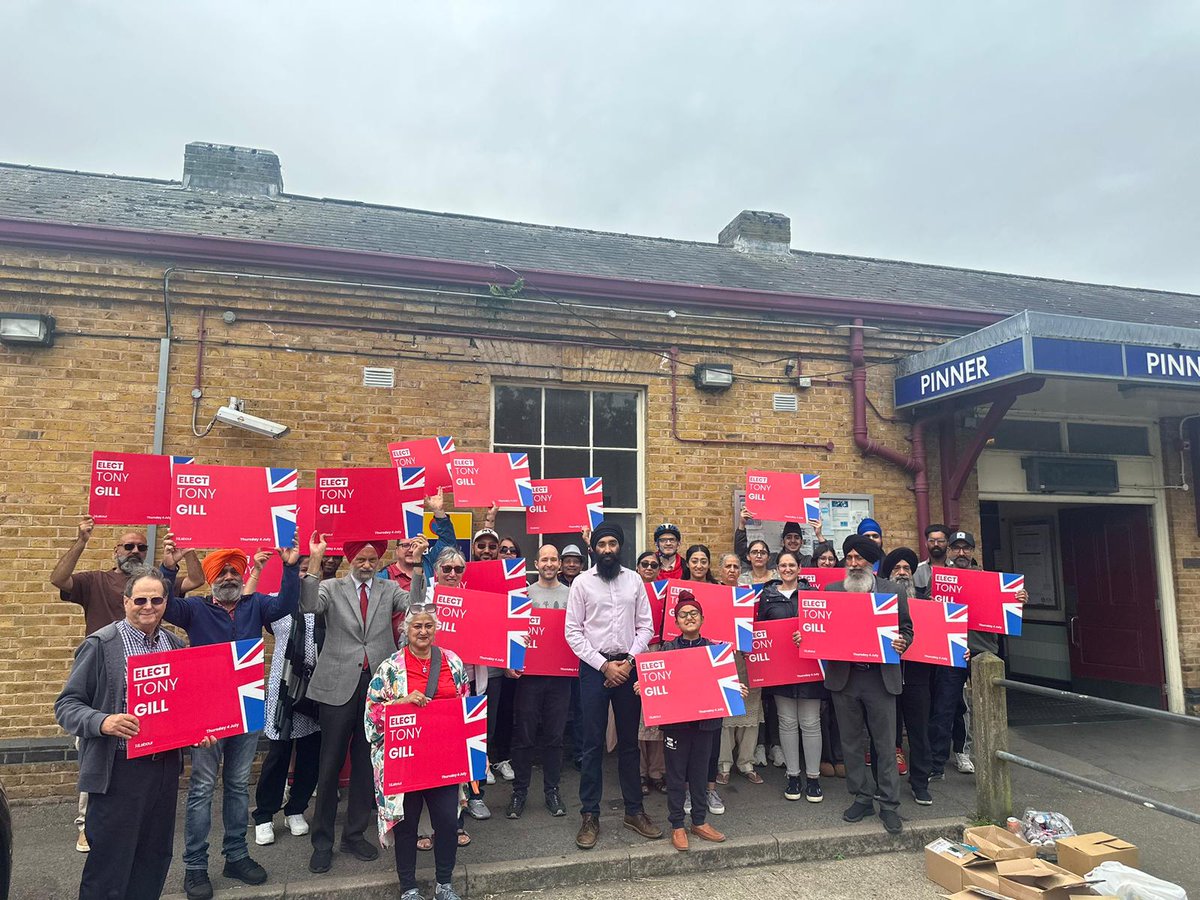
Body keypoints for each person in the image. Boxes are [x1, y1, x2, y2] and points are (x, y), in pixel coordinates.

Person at [55, 568, 207, 899]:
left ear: (166, 602)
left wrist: (196, 731)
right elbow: (66, 705)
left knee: (153, 860)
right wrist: (102, 721)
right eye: (140, 600)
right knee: (109, 865)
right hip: (119, 772)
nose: (148, 606)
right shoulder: (101, 644)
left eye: (156, 599)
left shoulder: (175, 645)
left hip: (164, 770)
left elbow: (181, 708)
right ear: (126, 602)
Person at [50, 516, 200, 852]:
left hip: (156, 745)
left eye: (140, 547)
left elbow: (196, 580)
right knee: (98, 773)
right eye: (128, 546)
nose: (134, 550)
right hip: (106, 700)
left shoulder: (163, 616)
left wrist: (196, 730)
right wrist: (81, 540)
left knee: (149, 847)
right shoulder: (96, 583)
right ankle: (87, 827)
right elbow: (58, 579)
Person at [161, 546, 301, 900]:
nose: (228, 578)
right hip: (207, 710)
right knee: (202, 789)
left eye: (233, 573)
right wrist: (167, 566)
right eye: (221, 573)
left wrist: (290, 567)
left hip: (246, 706)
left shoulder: (255, 605)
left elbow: (286, 605)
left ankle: (236, 855)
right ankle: (195, 866)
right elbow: (165, 603)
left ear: (241, 577)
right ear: (210, 579)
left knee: (238, 785)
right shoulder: (195, 609)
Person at [301, 535, 408, 876]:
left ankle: (354, 834)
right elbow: (307, 605)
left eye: (371, 560)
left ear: (378, 560)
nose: (365, 565)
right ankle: (321, 841)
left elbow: (419, 604)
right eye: (360, 559)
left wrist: (419, 564)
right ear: (349, 560)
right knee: (330, 763)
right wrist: (315, 561)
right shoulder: (331, 588)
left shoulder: (388, 589)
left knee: (366, 762)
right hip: (337, 685)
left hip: (377, 685)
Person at [565, 521, 662, 849]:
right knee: (591, 744)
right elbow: (573, 632)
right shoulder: (581, 583)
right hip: (594, 668)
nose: (607, 549)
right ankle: (589, 815)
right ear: (594, 548)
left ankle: (634, 811)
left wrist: (628, 662)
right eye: (602, 544)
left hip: (629, 666)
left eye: (613, 544)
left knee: (629, 745)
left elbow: (646, 626)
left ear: (620, 547)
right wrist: (605, 665)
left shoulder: (634, 580)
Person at [364, 605, 472, 900]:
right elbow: (372, 713)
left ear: (435, 629)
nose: (423, 632)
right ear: (405, 631)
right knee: (407, 824)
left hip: (444, 758)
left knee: (448, 822)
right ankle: (408, 887)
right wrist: (401, 702)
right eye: (416, 627)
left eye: (428, 626)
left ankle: (444, 884)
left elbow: (466, 708)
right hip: (406, 760)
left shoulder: (453, 662)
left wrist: (473, 755)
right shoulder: (389, 668)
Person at [635, 592, 746, 851]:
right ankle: (677, 825)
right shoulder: (666, 650)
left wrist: (734, 687)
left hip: (707, 722)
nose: (689, 618)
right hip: (676, 724)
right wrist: (645, 685)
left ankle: (698, 821)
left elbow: (723, 679)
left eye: (694, 614)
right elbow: (657, 680)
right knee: (675, 774)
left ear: (702, 619)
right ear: (676, 621)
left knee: (699, 772)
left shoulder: (715, 650)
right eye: (683, 614)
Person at [820, 535, 912, 835]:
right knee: (851, 743)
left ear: (871, 561)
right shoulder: (833, 590)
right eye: (849, 558)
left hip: (879, 678)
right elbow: (820, 629)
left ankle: (889, 805)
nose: (854, 564)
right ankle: (861, 796)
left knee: (885, 744)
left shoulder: (893, 591)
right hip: (845, 678)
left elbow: (907, 629)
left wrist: (903, 642)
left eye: (859, 558)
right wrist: (807, 638)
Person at [251, 554, 322, 846]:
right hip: (284, 683)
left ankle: (296, 808)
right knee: (278, 753)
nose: (304, 576)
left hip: (315, 685)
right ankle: (265, 815)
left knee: (310, 753)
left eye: (309, 572)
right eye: (299, 571)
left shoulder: (321, 602)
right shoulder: (275, 602)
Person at [506, 544, 571, 818]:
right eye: (544, 559)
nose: (549, 563)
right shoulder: (523, 595)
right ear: (536, 562)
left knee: (555, 737)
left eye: (553, 559)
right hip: (529, 677)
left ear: (559, 563)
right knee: (524, 736)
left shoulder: (572, 594)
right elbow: (510, 630)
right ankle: (519, 792)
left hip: (561, 677)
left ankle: (552, 791)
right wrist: (510, 662)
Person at [756, 550, 826, 802]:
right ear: (777, 569)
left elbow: (825, 627)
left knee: (810, 723)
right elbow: (760, 631)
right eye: (783, 565)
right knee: (786, 722)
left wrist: (810, 637)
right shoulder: (767, 596)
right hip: (781, 670)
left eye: (791, 565)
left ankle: (814, 778)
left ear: (799, 568)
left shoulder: (813, 594)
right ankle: (793, 776)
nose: (787, 569)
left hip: (809, 667)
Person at [879, 548, 933, 807]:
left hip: (918, 677)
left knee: (919, 732)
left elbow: (944, 634)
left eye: (906, 569)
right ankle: (886, 784)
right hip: (887, 677)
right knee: (887, 735)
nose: (902, 573)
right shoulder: (879, 601)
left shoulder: (927, 600)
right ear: (889, 574)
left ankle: (921, 782)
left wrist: (961, 649)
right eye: (896, 569)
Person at [716, 553, 764, 787]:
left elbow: (760, 623)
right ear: (720, 570)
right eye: (728, 566)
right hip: (722, 658)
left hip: (748, 658)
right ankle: (723, 764)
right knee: (725, 710)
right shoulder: (712, 595)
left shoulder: (750, 596)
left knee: (750, 710)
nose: (732, 570)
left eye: (736, 566)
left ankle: (746, 762)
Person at [633, 550, 667, 795]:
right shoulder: (629, 591)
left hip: (660, 651)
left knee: (658, 716)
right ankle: (641, 773)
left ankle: (657, 771)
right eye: (644, 564)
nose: (649, 568)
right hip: (634, 653)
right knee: (637, 716)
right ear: (637, 567)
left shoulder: (666, 592)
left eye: (654, 565)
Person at [384, 489, 456, 591]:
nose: (411, 550)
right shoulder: (384, 575)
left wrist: (438, 511)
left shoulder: (429, 563)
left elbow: (448, 542)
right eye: (405, 545)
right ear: (396, 550)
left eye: (415, 544)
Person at [735, 511, 819, 569]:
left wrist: (819, 535)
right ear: (782, 542)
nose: (793, 540)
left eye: (796, 537)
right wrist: (742, 524)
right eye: (789, 537)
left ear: (801, 542)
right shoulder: (772, 559)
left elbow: (827, 561)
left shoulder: (808, 561)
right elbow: (742, 555)